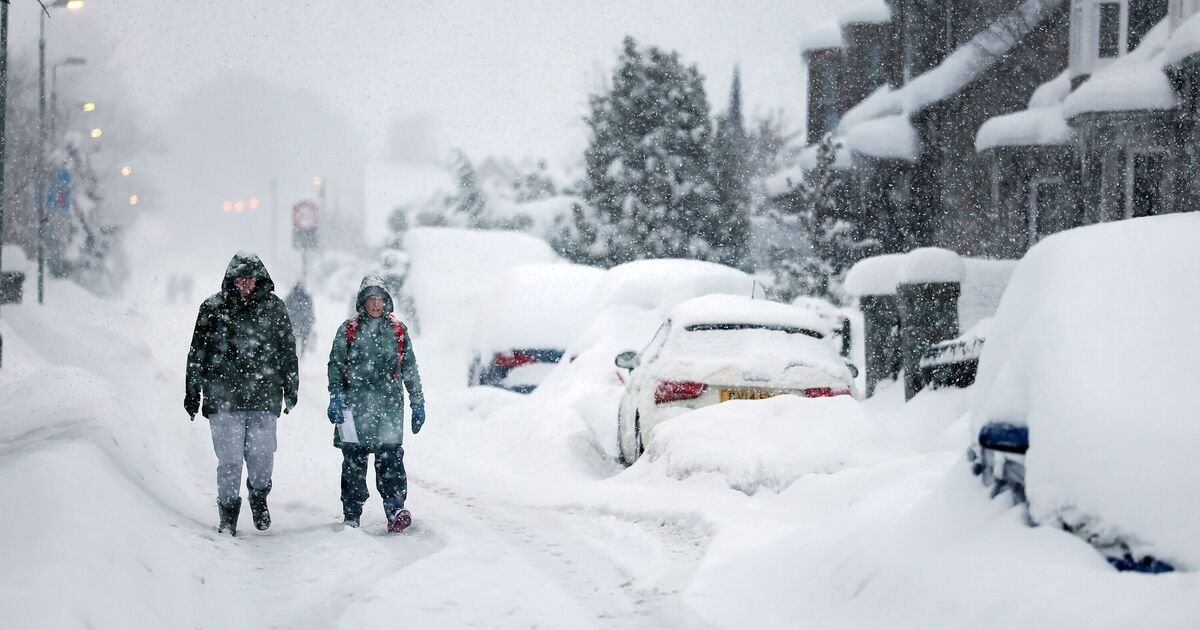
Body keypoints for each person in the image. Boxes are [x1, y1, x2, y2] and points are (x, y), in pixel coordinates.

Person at [185, 251, 299, 536]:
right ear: (231, 279)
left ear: (259, 279)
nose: (245, 284)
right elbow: (197, 352)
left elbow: (287, 350)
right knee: (230, 461)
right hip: (223, 397)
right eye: (239, 279)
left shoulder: (274, 308)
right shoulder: (212, 308)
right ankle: (228, 514)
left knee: (262, 459)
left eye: (249, 278)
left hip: (264, 396)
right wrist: (192, 390)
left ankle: (259, 496)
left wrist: (291, 386)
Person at [326, 274, 425, 532]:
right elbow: (335, 366)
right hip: (354, 409)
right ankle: (351, 513)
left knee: (391, 459)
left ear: (387, 301)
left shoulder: (398, 331)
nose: (376, 305)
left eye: (380, 299)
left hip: (389, 410)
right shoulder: (348, 330)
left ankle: (395, 509)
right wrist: (336, 396)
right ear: (363, 302)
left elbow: (410, 369)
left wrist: (417, 402)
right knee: (353, 464)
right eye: (371, 300)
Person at [285, 280, 315, 356]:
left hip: (300, 322)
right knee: (298, 339)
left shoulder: (292, 296)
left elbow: (309, 309)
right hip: (298, 322)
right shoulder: (293, 296)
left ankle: (300, 353)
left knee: (299, 339)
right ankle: (299, 353)